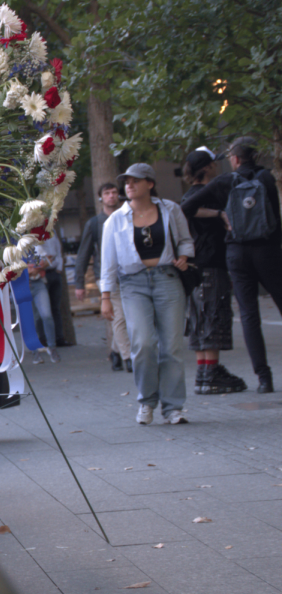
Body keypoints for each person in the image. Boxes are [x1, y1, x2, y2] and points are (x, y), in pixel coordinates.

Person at [180, 137, 282, 393]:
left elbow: (186, 207)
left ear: (235, 159)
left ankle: (264, 378)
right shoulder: (268, 179)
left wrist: (220, 214)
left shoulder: (224, 182)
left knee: (249, 316)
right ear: (255, 157)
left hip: (236, 254)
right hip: (267, 250)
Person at [100, 163, 193, 425]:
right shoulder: (115, 220)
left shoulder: (170, 209)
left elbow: (186, 240)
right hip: (133, 284)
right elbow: (108, 261)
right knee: (142, 344)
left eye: (136, 181)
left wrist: (184, 256)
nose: (129, 185)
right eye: (126, 182)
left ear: (150, 184)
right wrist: (105, 296)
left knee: (172, 346)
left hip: (167, 279)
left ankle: (173, 407)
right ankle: (147, 401)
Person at [180, 147, 247, 395]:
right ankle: (211, 374)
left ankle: (204, 372)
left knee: (199, 319)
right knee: (213, 315)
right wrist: (220, 213)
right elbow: (186, 208)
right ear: (207, 167)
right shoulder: (205, 195)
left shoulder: (190, 193)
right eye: (213, 163)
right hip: (210, 263)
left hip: (196, 266)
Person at [76, 183, 132, 372]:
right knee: (119, 317)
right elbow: (84, 254)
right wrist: (79, 283)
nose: (111, 196)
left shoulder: (127, 217)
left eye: (114, 192)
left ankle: (115, 351)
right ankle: (128, 358)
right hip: (105, 276)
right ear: (101, 197)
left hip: (128, 273)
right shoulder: (93, 223)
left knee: (126, 316)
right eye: (107, 193)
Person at [26, 239, 62, 363]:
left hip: (38, 282)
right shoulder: (12, 248)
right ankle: (34, 352)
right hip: (23, 285)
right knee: (30, 320)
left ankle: (52, 348)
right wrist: (30, 270)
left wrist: (38, 267)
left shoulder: (34, 244)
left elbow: (49, 258)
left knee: (46, 315)